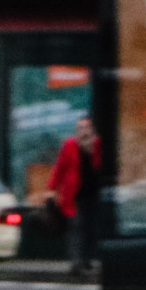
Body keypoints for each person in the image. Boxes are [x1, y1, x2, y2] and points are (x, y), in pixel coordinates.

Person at [48, 114, 103, 278]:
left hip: (93, 192)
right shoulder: (69, 145)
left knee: (90, 227)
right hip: (74, 194)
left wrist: (91, 149)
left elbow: (99, 166)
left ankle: (86, 259)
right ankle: (76, 263)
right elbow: (60, 167)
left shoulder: (97, 144)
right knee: (76, 227)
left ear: (92, 129)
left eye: (87, 128)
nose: (83, 131)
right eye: (80, 128)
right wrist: (51, 188)